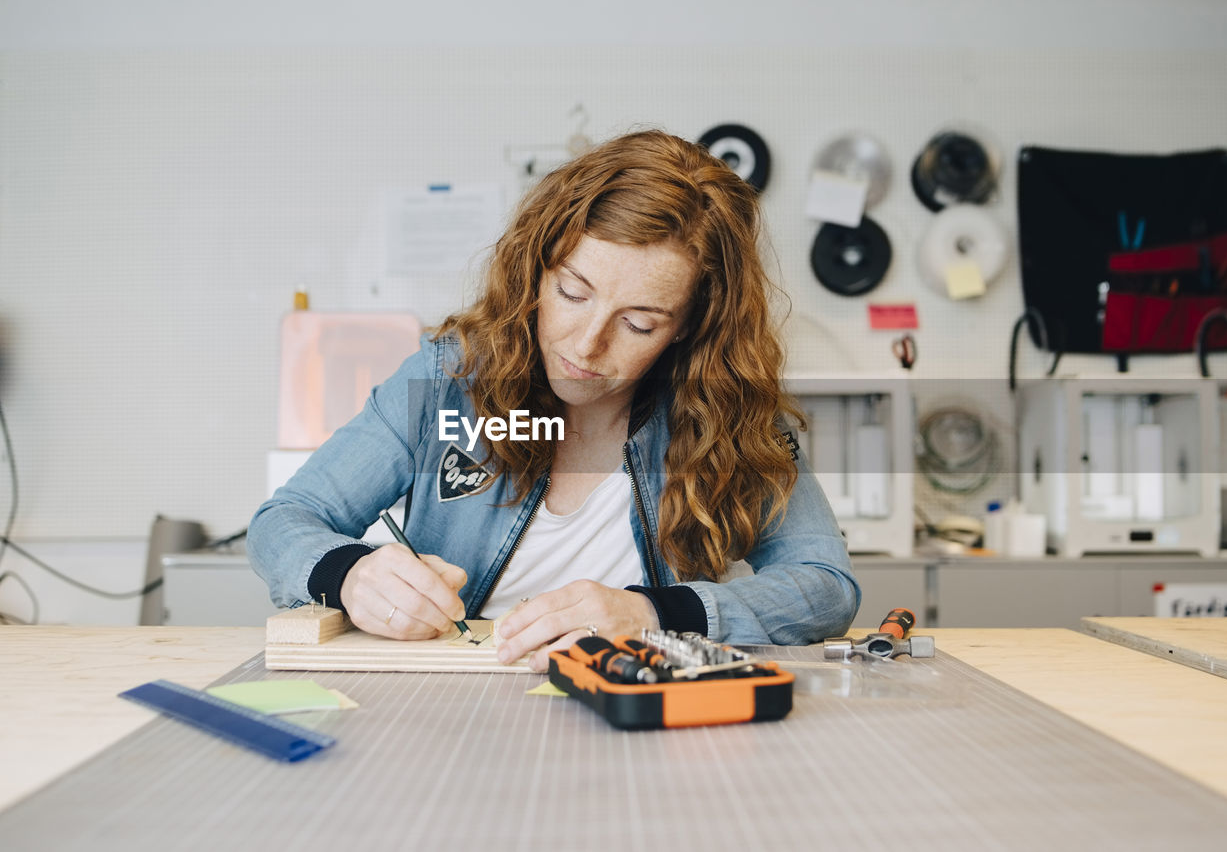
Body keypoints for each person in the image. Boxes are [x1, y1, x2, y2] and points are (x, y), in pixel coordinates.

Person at [248, 129, 859, 671]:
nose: (587, 345)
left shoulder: (729, 413)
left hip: (639, 718)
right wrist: (350, 574)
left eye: (640, 324)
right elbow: (285, 521)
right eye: (572, 292)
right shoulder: (444, 381)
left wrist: (650, 612)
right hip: (447, 716)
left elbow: (825, 585)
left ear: (690, 328)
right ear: (535, 269)